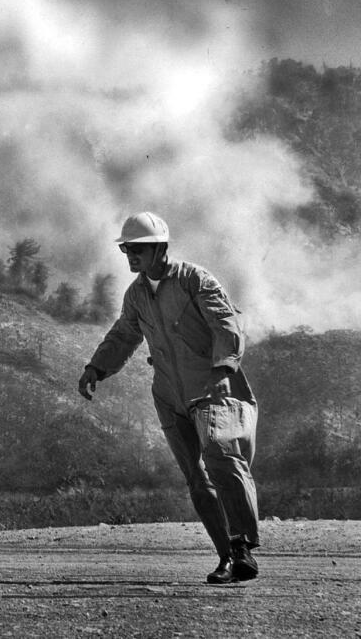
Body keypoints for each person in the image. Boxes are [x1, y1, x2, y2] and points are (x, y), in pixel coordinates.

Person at [78, 212, 260, 585]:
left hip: (212, 388)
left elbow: (225, 320)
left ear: (161, 248)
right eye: (127, 249)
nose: (131, 256)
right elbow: (123, 335)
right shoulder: (137, 295)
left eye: (138, 249)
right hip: (169, 396)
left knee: (221, 458)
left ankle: (243, 544)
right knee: (197, 479)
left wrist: (226, 360)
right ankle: (227, 557)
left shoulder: (195, 279)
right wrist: (95, 367)